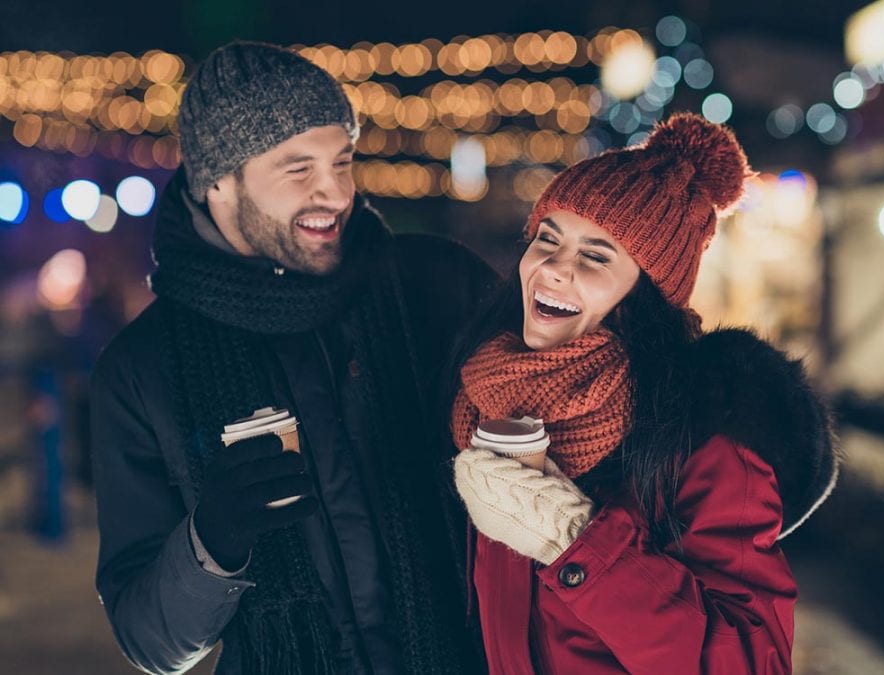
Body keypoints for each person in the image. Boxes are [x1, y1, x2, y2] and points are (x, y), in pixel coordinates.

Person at [91, 42, 492, 675]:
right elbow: (149, 642)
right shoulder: (142, 370)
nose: (334, 193)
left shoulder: (436, 286)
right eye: (298, 169)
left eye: (342, 161)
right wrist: (210, 546)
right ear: (217, 180)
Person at [449, 112, 840, 674]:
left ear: (647, 292)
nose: (554, 269)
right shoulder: (487, 393)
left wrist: (573, 543)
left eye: (595, 256)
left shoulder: (705, 428)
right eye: (547, 239)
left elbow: (750, 664)